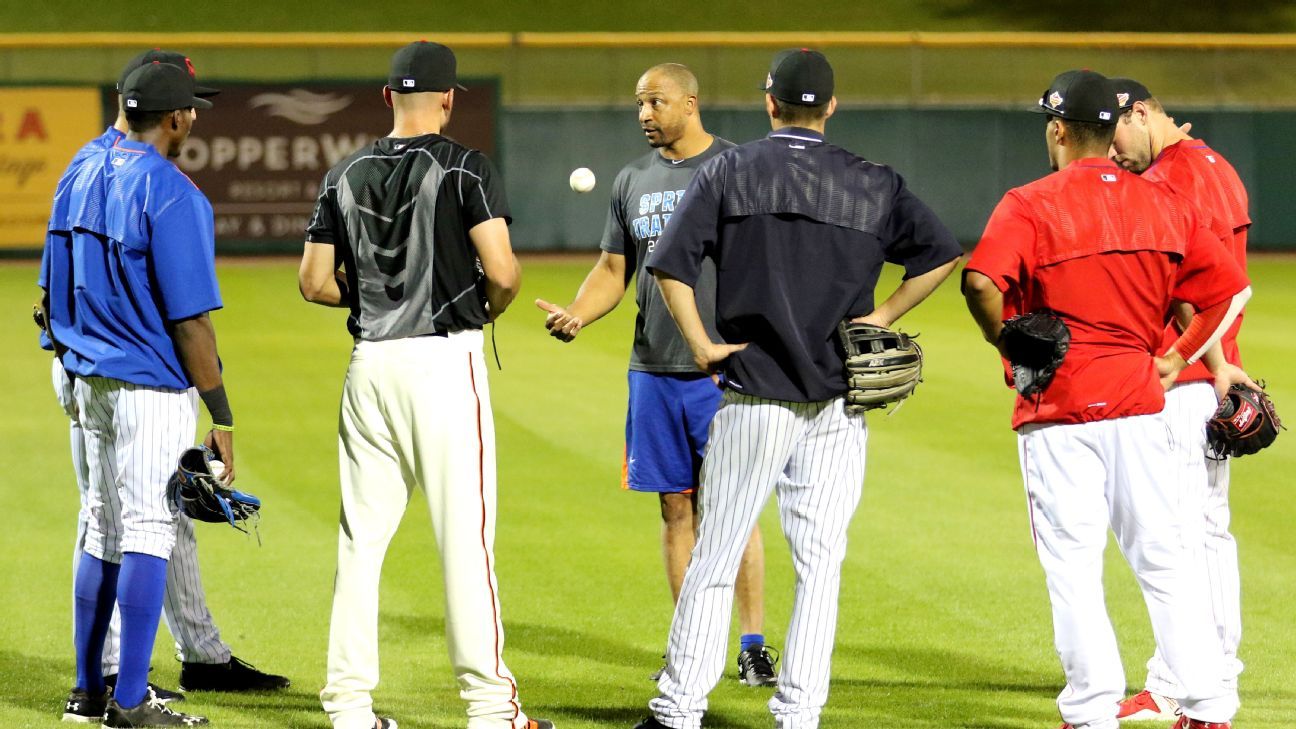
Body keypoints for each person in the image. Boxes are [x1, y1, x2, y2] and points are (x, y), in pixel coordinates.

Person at [634, 48, 961, 729]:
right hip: (841, 400)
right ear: (831, 108)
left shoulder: (732, 167)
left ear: (769, 102)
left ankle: (678, 711)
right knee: (821, 565)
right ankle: (799, 714)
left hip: (755, 393)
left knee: (715, 550)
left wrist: (698, 343)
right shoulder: (872, 181)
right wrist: (883, 316)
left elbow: (671, 264)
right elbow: (941, 252)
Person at [962, 69, 1251, 729]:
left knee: (1073, 565)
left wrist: (1004, 338)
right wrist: (1179, 356)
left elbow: (979, 281)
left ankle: (1091, 711)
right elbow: (1223, 287)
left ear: (1058, 130)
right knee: (1165, 556)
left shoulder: (1029, 201)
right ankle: (1208, 705)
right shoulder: (1164, 198)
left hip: (1059, 408)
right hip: (1141, 399)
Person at [299, 41, 553, 729]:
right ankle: (491, 709)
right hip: (443, 366)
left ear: (386, 98)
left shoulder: (342, 171)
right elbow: (502, 273)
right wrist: (483, 308)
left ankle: (349, 707)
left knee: (360, 542)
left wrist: (378, 289)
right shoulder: (467, 167)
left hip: (369, 369)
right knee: (464, 539)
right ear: (449, 97)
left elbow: (315, 282)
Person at [40, 52, 288, 722]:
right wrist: (222, 413)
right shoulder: (174, 192)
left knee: (99, 523)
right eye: (190, 109)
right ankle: (129, 701)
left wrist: (64, 359)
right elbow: (191, 324)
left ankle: (89, 691)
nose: (193, 118)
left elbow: (47, 291)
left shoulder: (77, 167)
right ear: (176, 117)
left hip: (78, 374)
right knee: (151, 527)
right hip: (145, 384)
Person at [534, 62, 776, 686]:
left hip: (727, 366)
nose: (645, 113)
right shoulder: (632, 181)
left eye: (656, 101)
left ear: (691, 103)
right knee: (675, 507)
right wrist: (578, 315)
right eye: (639, 103)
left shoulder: (737, 168)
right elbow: (614, 270)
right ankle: (693, 641)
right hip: (654, 369)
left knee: (734, 509)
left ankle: (752, 643)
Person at [1106, 78, 1255, 723]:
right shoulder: (1212, 163)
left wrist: (1213, 365)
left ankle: (1184, 686)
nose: (1112, 157)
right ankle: (1207, 674)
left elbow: (1201, 284)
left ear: (1141, 114)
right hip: (1204, 375)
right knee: (1204, 534)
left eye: (1114, 138)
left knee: (1175, 539)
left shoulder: (1178, 174)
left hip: (1184, 378)